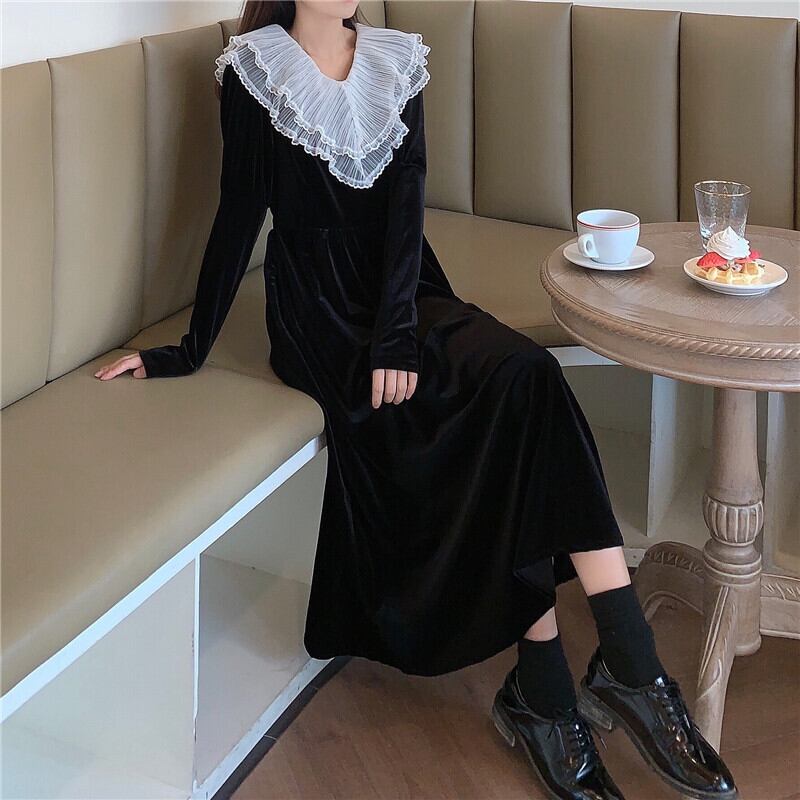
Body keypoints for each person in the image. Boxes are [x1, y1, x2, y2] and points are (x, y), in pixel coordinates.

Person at [94, 3, 738, 798]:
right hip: (317, 315)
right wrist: (187, 349)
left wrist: (397, 333)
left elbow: (407, 209)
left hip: (403, 295)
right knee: (480, 411)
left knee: (524, 375)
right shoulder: (255, 70)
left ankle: (613, 661)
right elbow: (238, 212)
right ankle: (578, 682)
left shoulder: (395, 60)